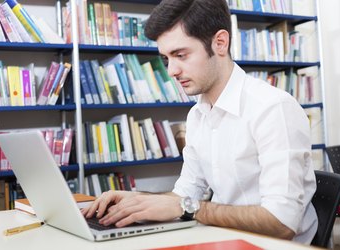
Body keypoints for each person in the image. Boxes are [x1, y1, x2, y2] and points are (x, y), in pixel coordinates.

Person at [82, 0, 318, 244]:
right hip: (225, 239)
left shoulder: (273, 108)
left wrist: (191, 208)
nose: (171, 71)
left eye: (180, 55)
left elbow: (281, 223)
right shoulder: (198, 115)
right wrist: (137, 200)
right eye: (166, 59)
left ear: (220, 43)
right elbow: (184, 195)